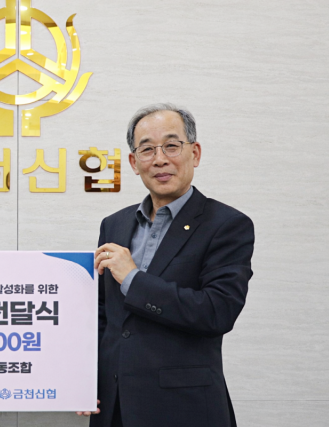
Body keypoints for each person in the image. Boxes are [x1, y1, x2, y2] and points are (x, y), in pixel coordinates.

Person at [82, 104, 254, 427]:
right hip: (114, 408)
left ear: (195, 153)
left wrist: (133, 279)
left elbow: (217, 311)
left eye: (171, 146)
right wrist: (83, 380)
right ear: (134, 162)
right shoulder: (114, 224)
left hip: (184, 409)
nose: (159, 159)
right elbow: (103, 316)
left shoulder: (227, 225)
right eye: (147, 149)